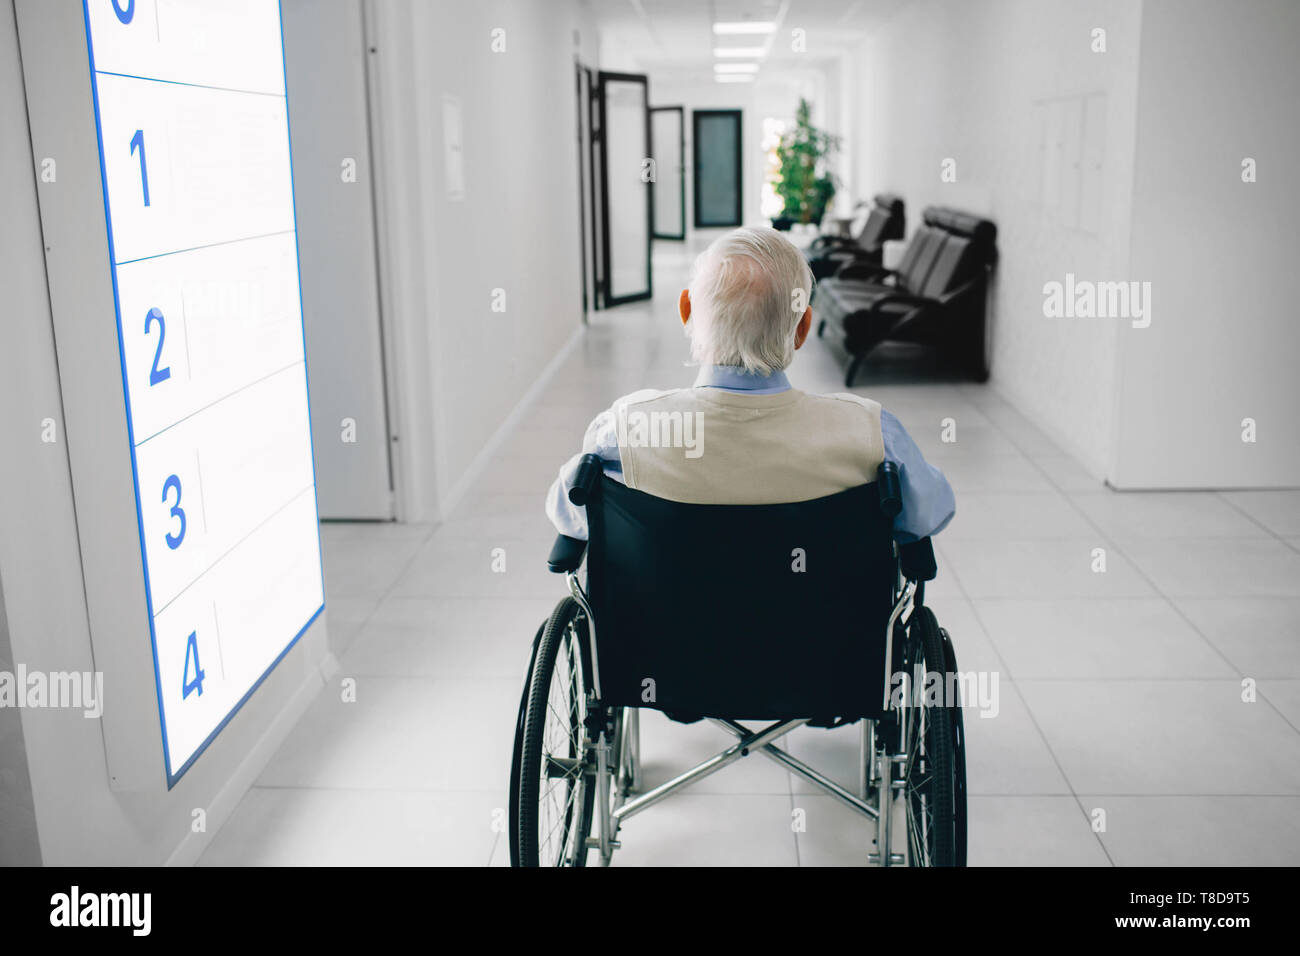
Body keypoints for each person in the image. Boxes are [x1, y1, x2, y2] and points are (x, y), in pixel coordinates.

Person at [545, 226, 954, 541]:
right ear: (803, 327)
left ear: (687, 310)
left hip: (663, 649)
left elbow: (569, 516)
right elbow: (929, 516)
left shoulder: (625, 432)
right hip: (823, 648)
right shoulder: (872, 433)